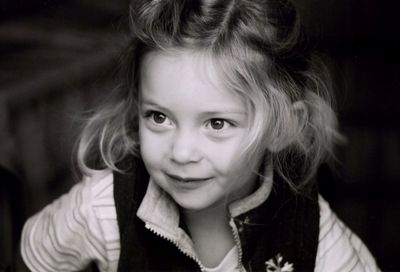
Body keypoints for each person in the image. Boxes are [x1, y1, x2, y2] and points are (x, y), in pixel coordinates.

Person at [19, 0, 380, 271]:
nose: (181, 151)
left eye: (217, 124)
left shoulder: (311, 233)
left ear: (281, 128)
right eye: (159, 117)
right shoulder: (101, 211)